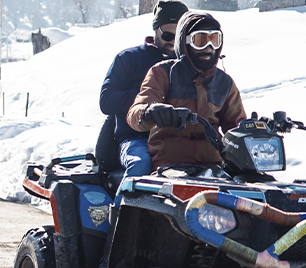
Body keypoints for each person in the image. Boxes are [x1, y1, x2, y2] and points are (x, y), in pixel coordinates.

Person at [127, 11, 246, 171]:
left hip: (213, 167)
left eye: (214, 40)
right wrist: (150, 112)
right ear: (185, 42)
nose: (209, 47)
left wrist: (251, 131)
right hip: (172, 166)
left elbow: (236, 128)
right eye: (200, 40)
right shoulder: (163, 73)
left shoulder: (224, 83)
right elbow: (135, 114)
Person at [99, 0, 189, 179]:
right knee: (141, 164)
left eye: (178, 36)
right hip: (137, 138)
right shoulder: (129, 58)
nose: (172, 41)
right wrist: (148, 101)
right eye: (167, 35)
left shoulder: (190, 64)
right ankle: (122, 206)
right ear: (156, 29)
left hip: (179, 140)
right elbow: (106, 100)